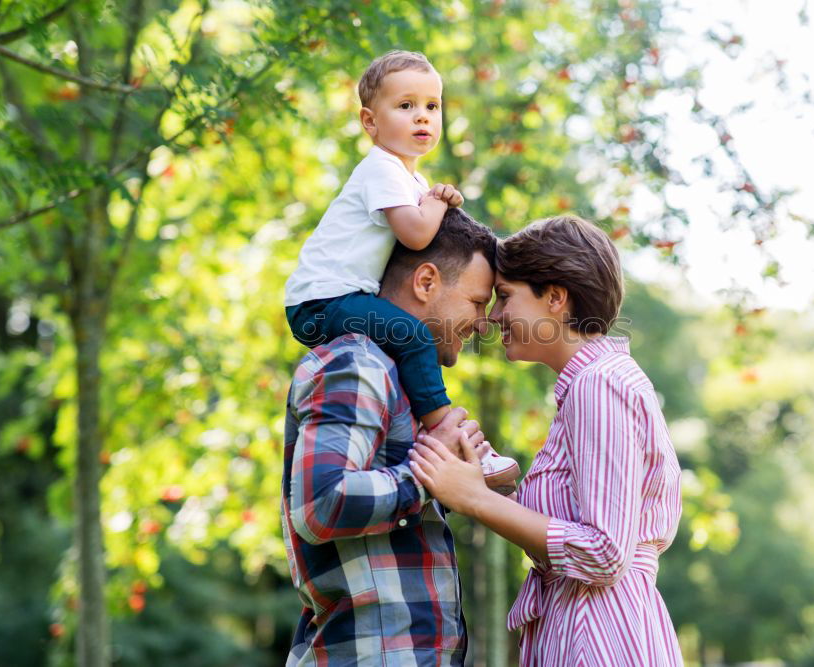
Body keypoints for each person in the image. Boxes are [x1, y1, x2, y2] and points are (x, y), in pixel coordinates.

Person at [409, 215, 685, 666]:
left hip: (600, 637)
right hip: (583, 628)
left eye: (505, 297)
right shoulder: (588, 388)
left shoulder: (600, 385)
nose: (493, 318)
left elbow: (603, 552)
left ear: (555, 298)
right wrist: (487, 483)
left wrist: (475, 499)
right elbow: (577, 532)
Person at [282, 209, 508, 666]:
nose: (484, 323)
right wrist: (432, 470)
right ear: (426, 282)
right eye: (477, 302)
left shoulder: (397, 380)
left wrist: (461, 481)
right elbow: (321, 505)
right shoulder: (356, 364)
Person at [283, 49, 517, 489]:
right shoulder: (381, 168)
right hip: (321, 301)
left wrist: (433, 197)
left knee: (402, 345)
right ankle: (444, 426)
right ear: (370, 122)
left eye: (432, 106)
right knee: (410, 334)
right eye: (406, 106)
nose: (422, 117)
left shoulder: (408, 179)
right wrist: (435, 201)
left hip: (341, 299)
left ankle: (436, 442)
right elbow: (415, 236)